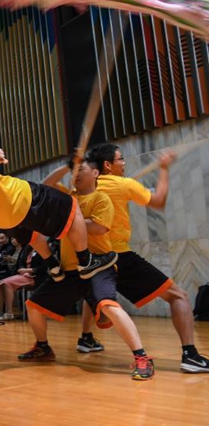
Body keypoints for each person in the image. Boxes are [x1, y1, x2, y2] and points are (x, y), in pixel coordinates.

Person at [19, 156, 155, 380]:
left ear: (95, 174)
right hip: (70, 271)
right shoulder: (67, 197)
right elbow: (45, 186)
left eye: (81, 169)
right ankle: (43, 347)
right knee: (33, 306)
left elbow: (100, 228)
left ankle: (142, 357)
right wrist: (66, 164)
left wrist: (68, 222)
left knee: (108, 305)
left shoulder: (102, 198)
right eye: (75, 170)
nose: (77, 173)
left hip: (99, 265)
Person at [0, 98, 117, 281]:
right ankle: (86, 261)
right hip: (22, 199)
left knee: (31, 234)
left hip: (5, 220)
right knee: (72, 206)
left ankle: (52, 265)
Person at [86, 143, 209, 373]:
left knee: (97, 299)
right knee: (178, 296)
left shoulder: (83, 189)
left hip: (92, 262)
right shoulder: (123, 185)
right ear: (107, 165)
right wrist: (163, 168)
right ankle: (190, 355)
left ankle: (86, 335)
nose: (124, 163)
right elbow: (159, 200)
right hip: (120, 257)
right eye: (120, 159)